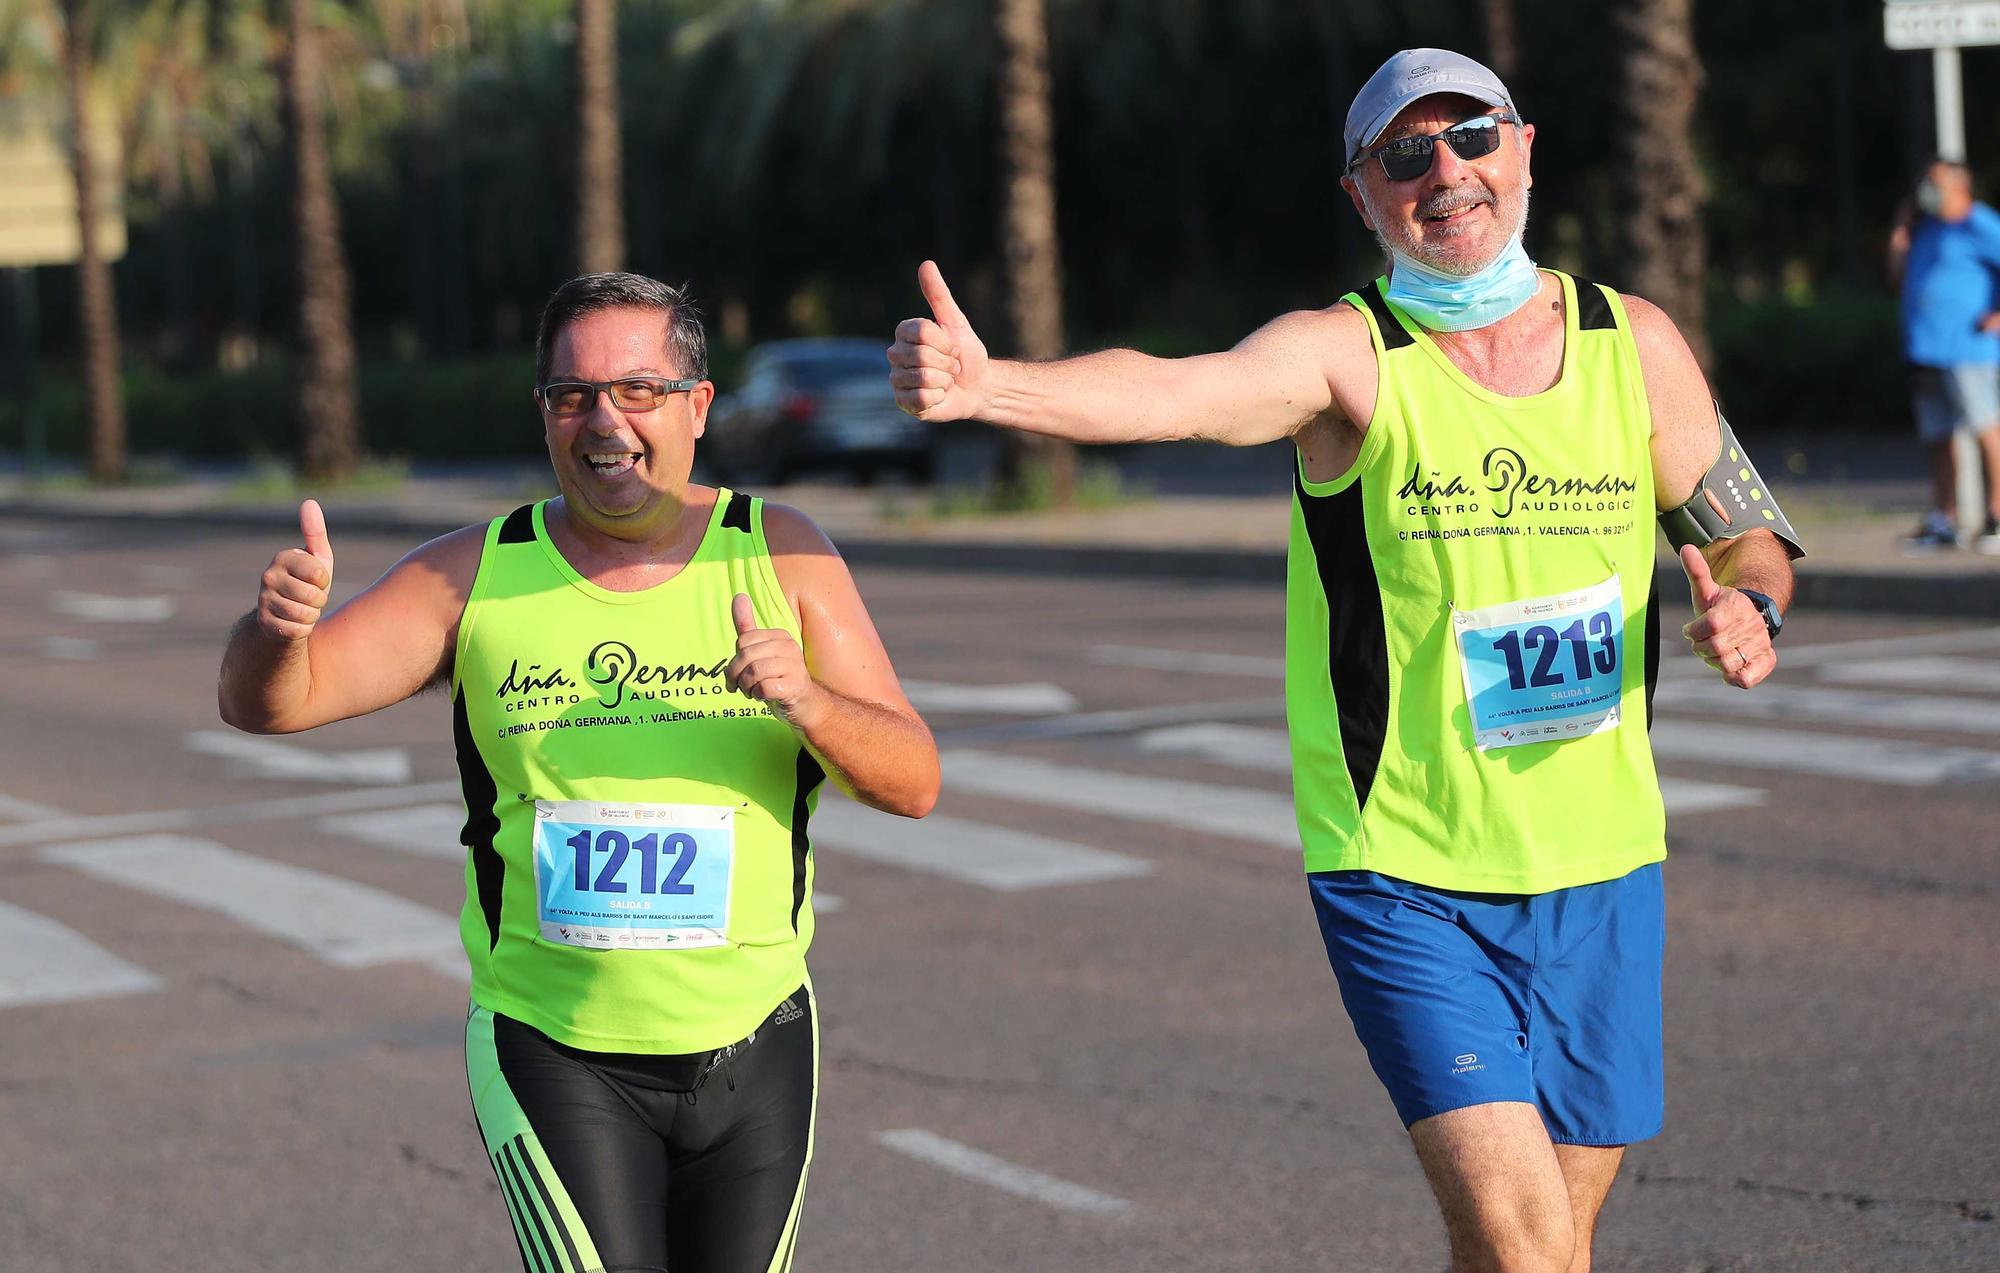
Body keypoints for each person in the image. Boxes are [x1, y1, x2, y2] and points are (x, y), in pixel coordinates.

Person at [888, 48, 1800, 1273]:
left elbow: (1744, 527)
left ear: (1522, 147)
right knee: (1530, 1246)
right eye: (1403, 156)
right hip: (1405, 870)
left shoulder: (1625, 341)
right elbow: (1181, 392)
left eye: (1469, 138)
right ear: (1361, 196)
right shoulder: (1345, 358)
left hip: (1603, 866)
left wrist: (1751, 605)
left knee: (1541, 1242)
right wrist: (995, 386)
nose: (1446, 174)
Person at [220, 272, 940, 1273]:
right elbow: (272, 701)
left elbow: (913, 780)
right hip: (554, 1051)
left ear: (696, 405)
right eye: (572, 394)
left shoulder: (782, 557)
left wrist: (810, 704)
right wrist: (271, 631)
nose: (605, 418)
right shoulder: (471, 574)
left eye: (637, 388)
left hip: (759, 1044)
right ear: (545, 415)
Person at [1888, 158, 2000, 552]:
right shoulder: (1927, 230)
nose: (1925, 190)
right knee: (1938, 436)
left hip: (1969, 349)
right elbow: (1898, 278)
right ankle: (1944, 520)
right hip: (1925, 349)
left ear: (1959, 187)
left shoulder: (1982, 225)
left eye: (1934, 183)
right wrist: (1902, 227)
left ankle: (1997, 517)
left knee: (1987, 429)